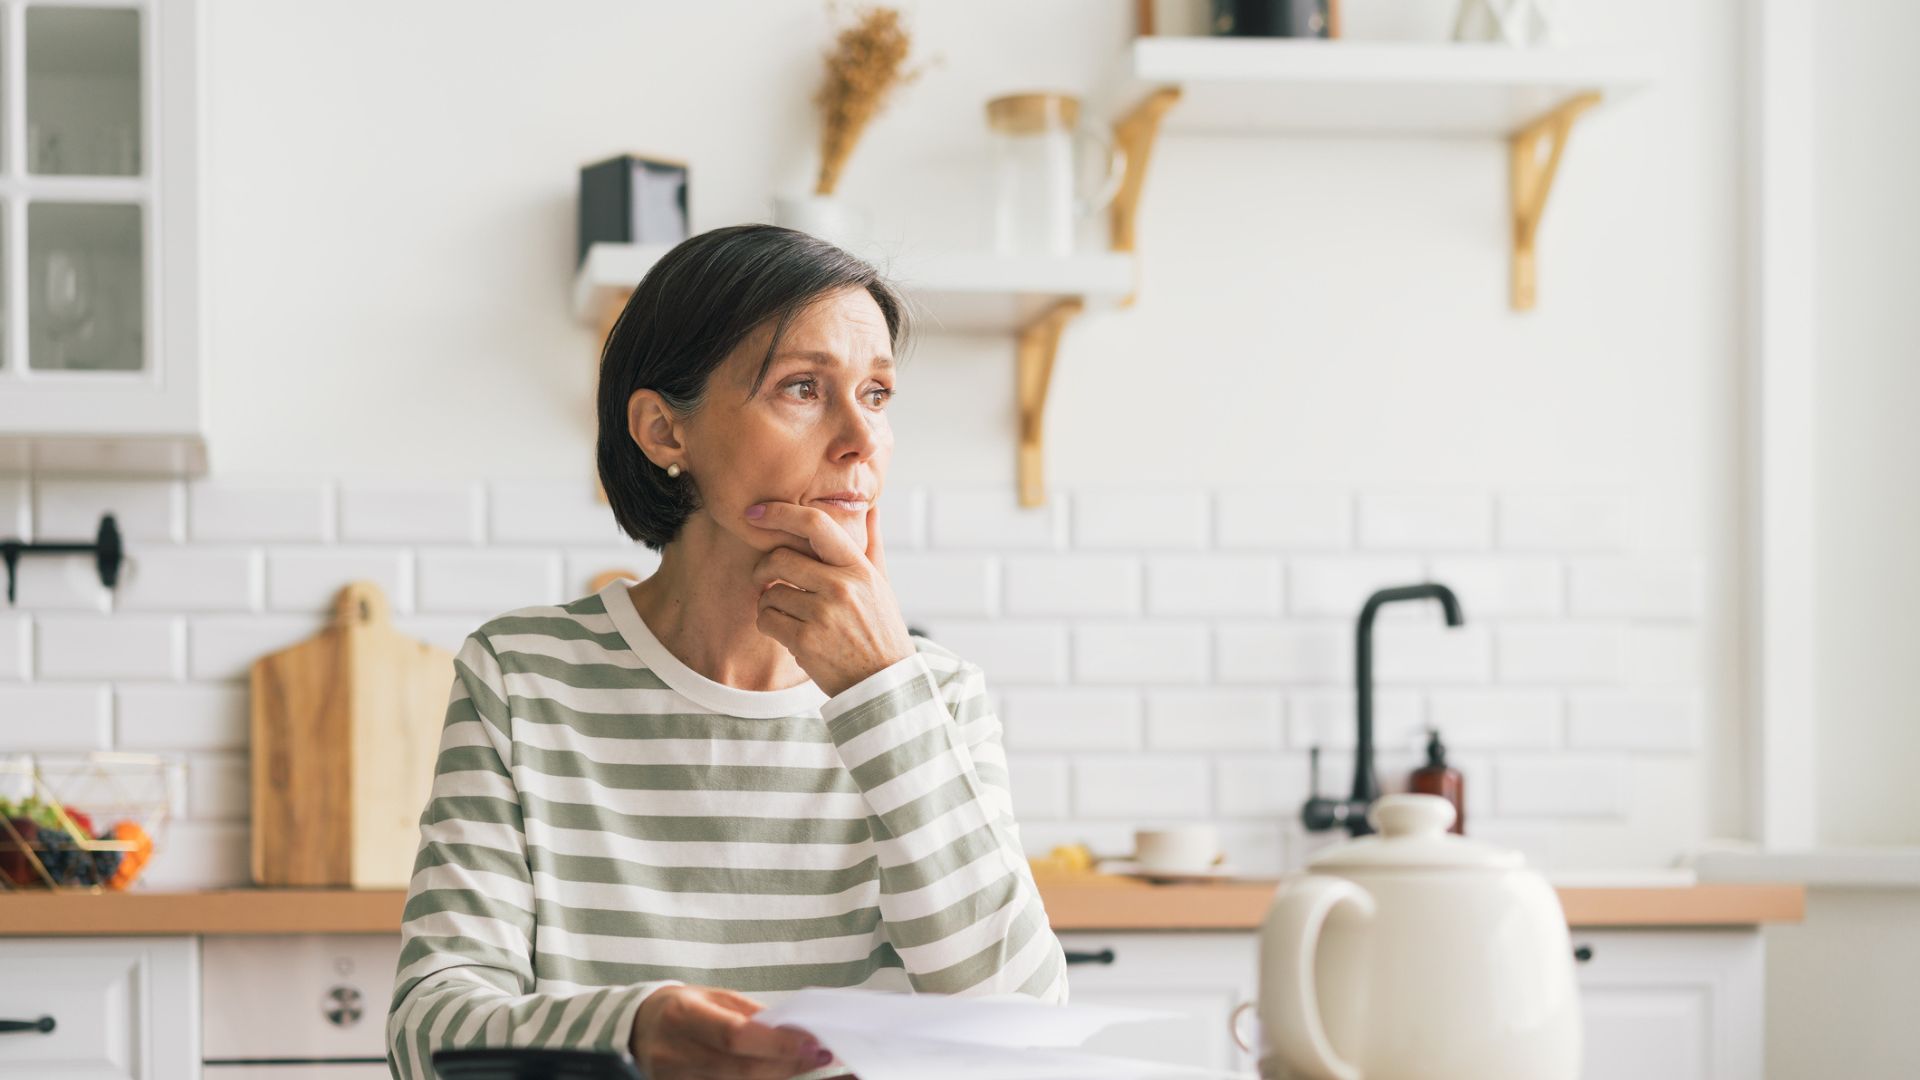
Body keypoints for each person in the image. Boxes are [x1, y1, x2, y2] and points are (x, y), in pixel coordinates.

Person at [385, 224, 1068, 1080]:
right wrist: (629, 1029)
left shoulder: (938, 698)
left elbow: (1026, 1042)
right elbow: (429, 1035)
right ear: (665, 433)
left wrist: (880, 692)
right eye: (802, 388)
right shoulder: (522, 678)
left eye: (879, 394)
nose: (862, 439)